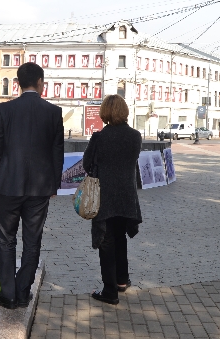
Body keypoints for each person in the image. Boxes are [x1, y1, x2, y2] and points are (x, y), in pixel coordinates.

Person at [0, 62, 64, 309]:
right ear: (40, 82)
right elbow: (57, 152)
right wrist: (54, 184)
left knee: (6, 238)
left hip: (8, 185)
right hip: (39, 188)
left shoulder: (5, 110)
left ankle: (8, 294)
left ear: (18, 83)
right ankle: (22, 291)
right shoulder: (53, 112)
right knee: (33, 239)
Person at [83, 94, 142, 305]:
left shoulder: (99, 138)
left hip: (105, 197)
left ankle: (109, 291)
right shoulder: (135, 136)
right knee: (120, 237)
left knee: (106, 241)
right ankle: (122, 280)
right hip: (126, 196)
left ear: (105, 112)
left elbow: (87, 165)